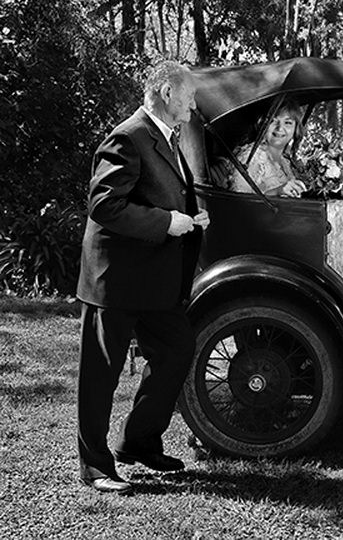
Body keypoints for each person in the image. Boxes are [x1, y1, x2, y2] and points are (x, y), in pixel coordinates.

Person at [76, 60, 210, 494]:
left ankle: (138, 442)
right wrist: (165, 222)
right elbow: (105, 206)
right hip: (116, 280)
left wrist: (189, 219)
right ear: (168, 93)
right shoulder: (128, 136)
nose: (193, 104)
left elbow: (160, 195)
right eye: (189, 96)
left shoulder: (167, 136)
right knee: (101, 374)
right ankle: (95, 466)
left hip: (153, 280)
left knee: (177, 348)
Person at [229, 102, 343, 314]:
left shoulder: (287, 160)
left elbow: (299, 191)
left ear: (295, 129)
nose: (280, 129)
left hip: (289, 222)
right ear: (262, 125)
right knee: (338, 212)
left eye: (288, 123)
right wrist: (278, 190)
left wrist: (327, 176)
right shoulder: (253, 156)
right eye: (273, 122)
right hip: (268, 230)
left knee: (342, 210)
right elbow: (240, 202)